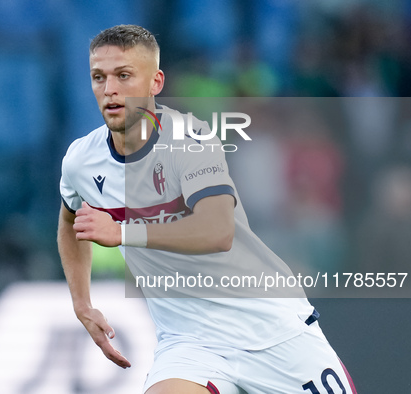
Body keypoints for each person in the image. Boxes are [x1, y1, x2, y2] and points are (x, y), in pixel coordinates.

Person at [58, 24, 357, 394]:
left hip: (271, 329)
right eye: (98, 77)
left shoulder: (191, 139)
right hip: (191, 344)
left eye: (123, 76)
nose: (110, 90)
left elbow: (218, 232)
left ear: (156, 82)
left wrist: (121, 231)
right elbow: (71, 217)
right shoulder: (80, 161)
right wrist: (81, 303)